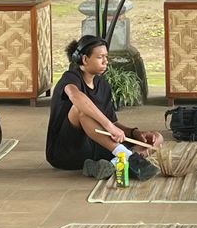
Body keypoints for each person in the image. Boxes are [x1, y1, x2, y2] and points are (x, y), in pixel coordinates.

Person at [46, 33, 161, 178]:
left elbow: (113, 123)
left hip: (96, 149)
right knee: (80, 110)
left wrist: (134, 133)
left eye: (106, 57)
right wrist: (109, 126)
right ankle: (128, 157)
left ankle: (114, 164)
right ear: (85, 59)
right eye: (100, 57)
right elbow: (76, 97)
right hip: (66, 152)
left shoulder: (103, 85)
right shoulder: (70, 78)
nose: (106, 61)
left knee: (157, 138)